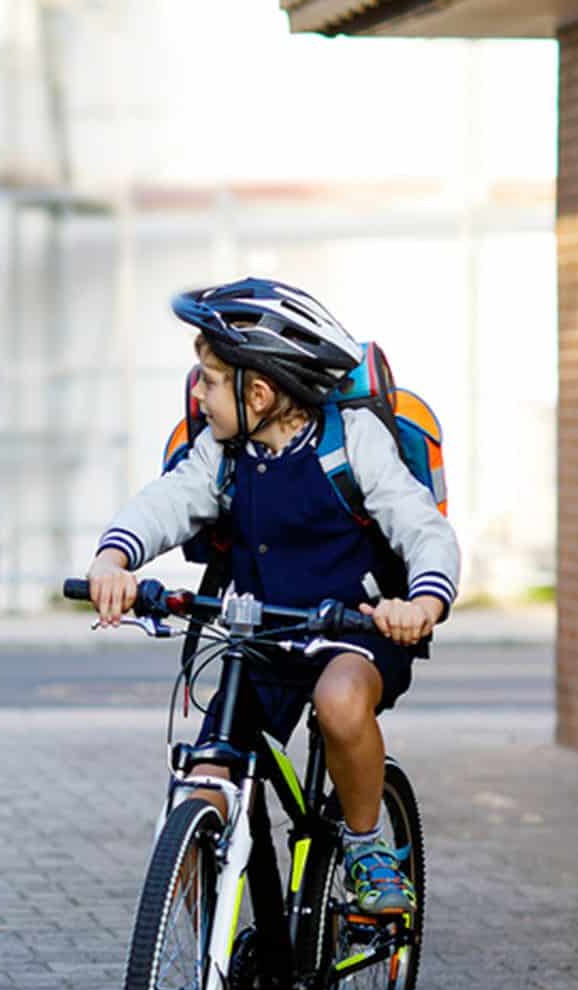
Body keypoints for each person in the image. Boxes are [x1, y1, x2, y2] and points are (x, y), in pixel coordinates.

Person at [85, 279, 460, 913]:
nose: (196, 396)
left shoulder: (352, 442)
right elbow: (167, 502)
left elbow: (422, 528)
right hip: (260, 638)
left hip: (359, 631)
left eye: (207, 380)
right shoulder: (223, 454)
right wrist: (114, 556)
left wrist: (420, 604)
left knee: (340, 704)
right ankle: (205, 951)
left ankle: (367, 847)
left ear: (257, 393)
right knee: (203, 780)